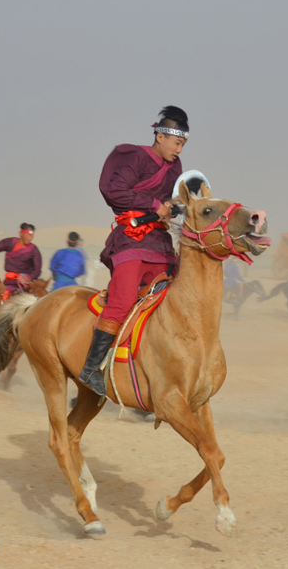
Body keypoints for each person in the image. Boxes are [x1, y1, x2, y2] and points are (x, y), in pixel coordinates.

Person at [79, 105, 189, 396]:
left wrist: (175, 207)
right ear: (161, 136)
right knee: (123, 300)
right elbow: (114, 191)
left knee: (174, 302)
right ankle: (91, 368)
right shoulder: (136, 157)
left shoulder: (175, 167)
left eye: (183, 144)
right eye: (177, 142)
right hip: (131, 240)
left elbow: (172, 199)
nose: (179, 149)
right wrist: (154, 206)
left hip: (161, 244)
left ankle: (153, 376)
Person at [0, 223, 42, 301]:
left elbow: (37, 271)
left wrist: (26, 278)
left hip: (25, 284)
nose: (30, 238)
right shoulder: (9, 242)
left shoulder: (34, 250)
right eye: (28, 235)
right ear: (21, 233)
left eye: (32, 236)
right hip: (10, 282)